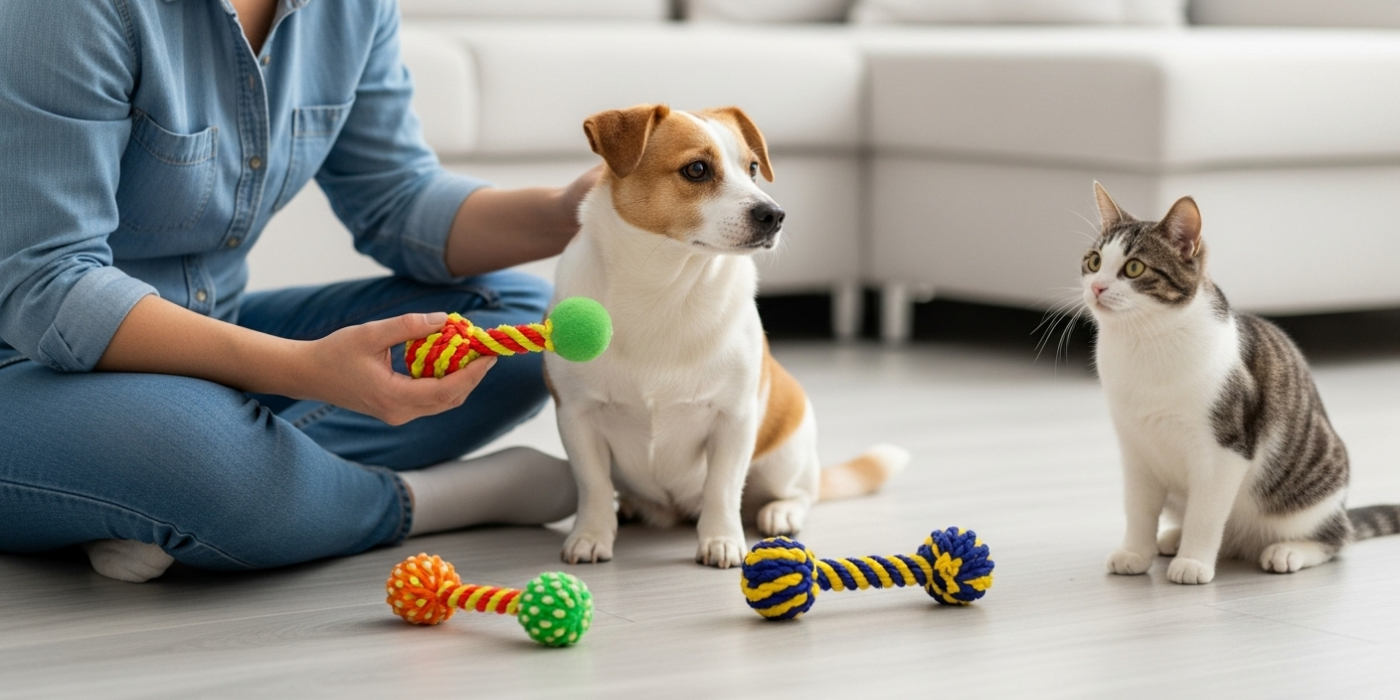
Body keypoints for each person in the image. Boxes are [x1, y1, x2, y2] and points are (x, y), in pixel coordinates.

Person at [0, 0, 595, 582]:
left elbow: (396, 197)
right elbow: (47, 283)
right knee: (201, 453)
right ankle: (422, 500)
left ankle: (190, 502)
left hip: (202, 339)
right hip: (25, 364)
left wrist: (578, 211)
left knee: (509, 325)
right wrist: (303, 368)